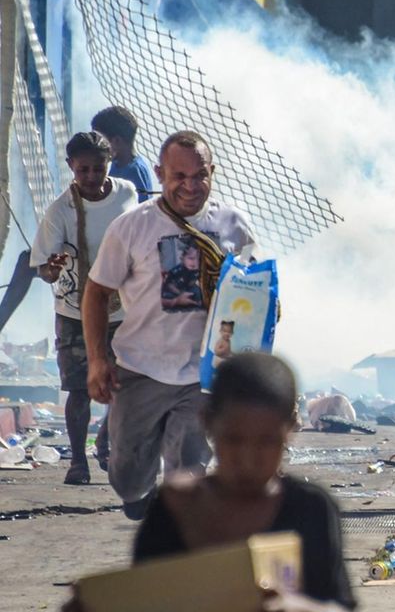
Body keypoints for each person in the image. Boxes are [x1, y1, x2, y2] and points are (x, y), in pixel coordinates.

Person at [62, 352, 359, 612]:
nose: (248, 458)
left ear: (290, 429)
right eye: (234, 440)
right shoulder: (173, 510)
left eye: (267, 442)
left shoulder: (309, 510)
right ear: (207, 424)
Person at [82, 130, 256, 519]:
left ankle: (178, 534)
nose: (190, 187)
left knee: (188, 472)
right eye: (179, 176)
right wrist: (97, 361)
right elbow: (96, 293)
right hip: (140, 370)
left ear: (212, 173)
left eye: (199, 176)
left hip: (203, 375)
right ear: (160, 174)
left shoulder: (233, 224)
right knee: (128, 476)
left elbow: (253, 292)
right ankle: (137, 496)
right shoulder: (131, 227)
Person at [30, 132, 139, 484]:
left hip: (123, 309)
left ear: (110, 164)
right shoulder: (60, 211)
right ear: (70, 167)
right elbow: (44, 270)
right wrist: (52, 269)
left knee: (125, 383)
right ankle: (78, 461)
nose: (91, 177)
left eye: (98, 168)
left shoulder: (127, 194)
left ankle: (105, 441)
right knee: (79, 388)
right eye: (83, 170)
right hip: (75, 312)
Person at [91, 105, 154, 202]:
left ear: (117, 141)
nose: (96, 146)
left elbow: (143, 207)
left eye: (100, 141)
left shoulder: (134, 171)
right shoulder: (117, 163)